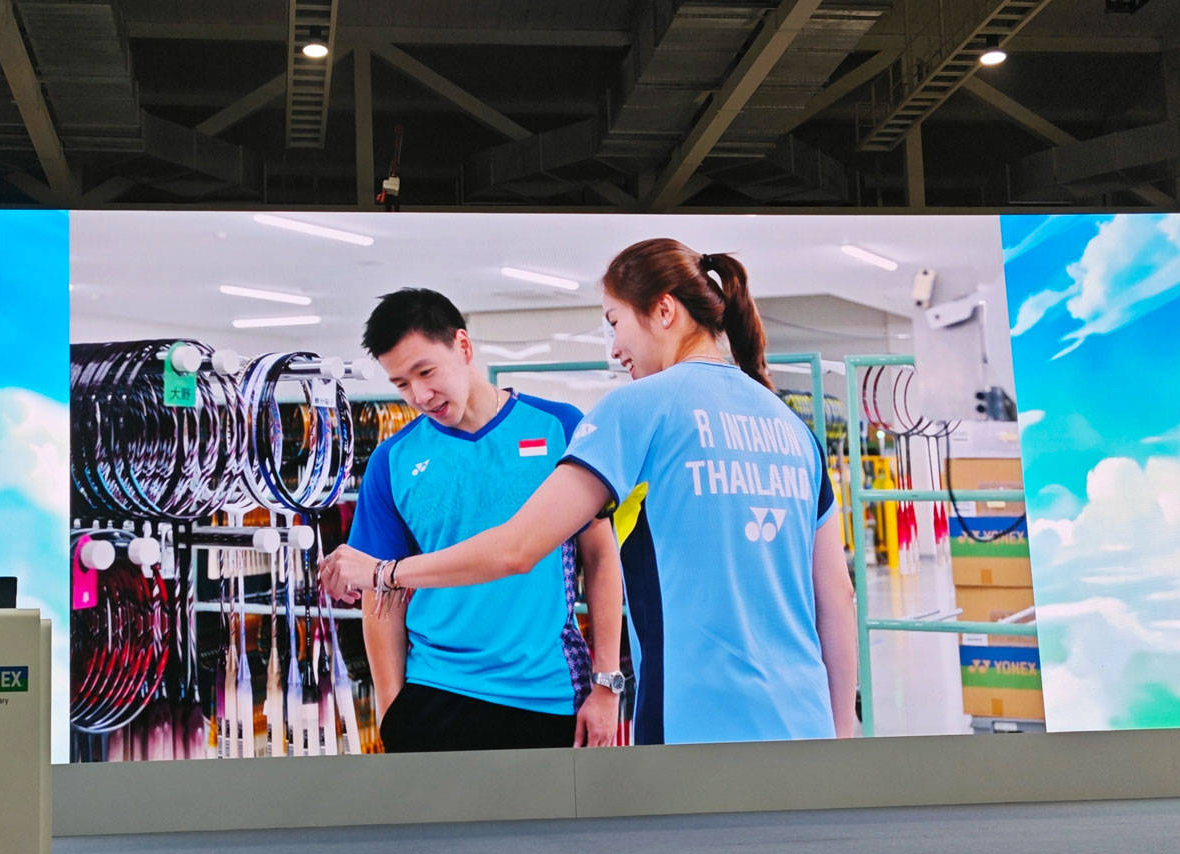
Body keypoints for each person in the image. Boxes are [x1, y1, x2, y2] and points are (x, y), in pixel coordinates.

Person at [323, 243, 858, 746]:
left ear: (664, 311)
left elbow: (517, 548)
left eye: (614, 322)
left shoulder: (637, 408)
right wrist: (840, 740)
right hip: (803, 721)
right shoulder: (792, 429)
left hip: (692, 726)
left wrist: (384, 572)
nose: (615, 348)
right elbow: (836, 602)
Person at [345, 288, 625, 753]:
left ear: (463, 346)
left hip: (548, 693)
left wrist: (607, 684)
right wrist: (392, 711)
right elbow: (381, 597)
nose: (419, 395)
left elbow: (599, 557)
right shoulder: (392, 461)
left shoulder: (559, 426)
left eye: (426, 372)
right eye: (401, 384)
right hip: (435, 692)